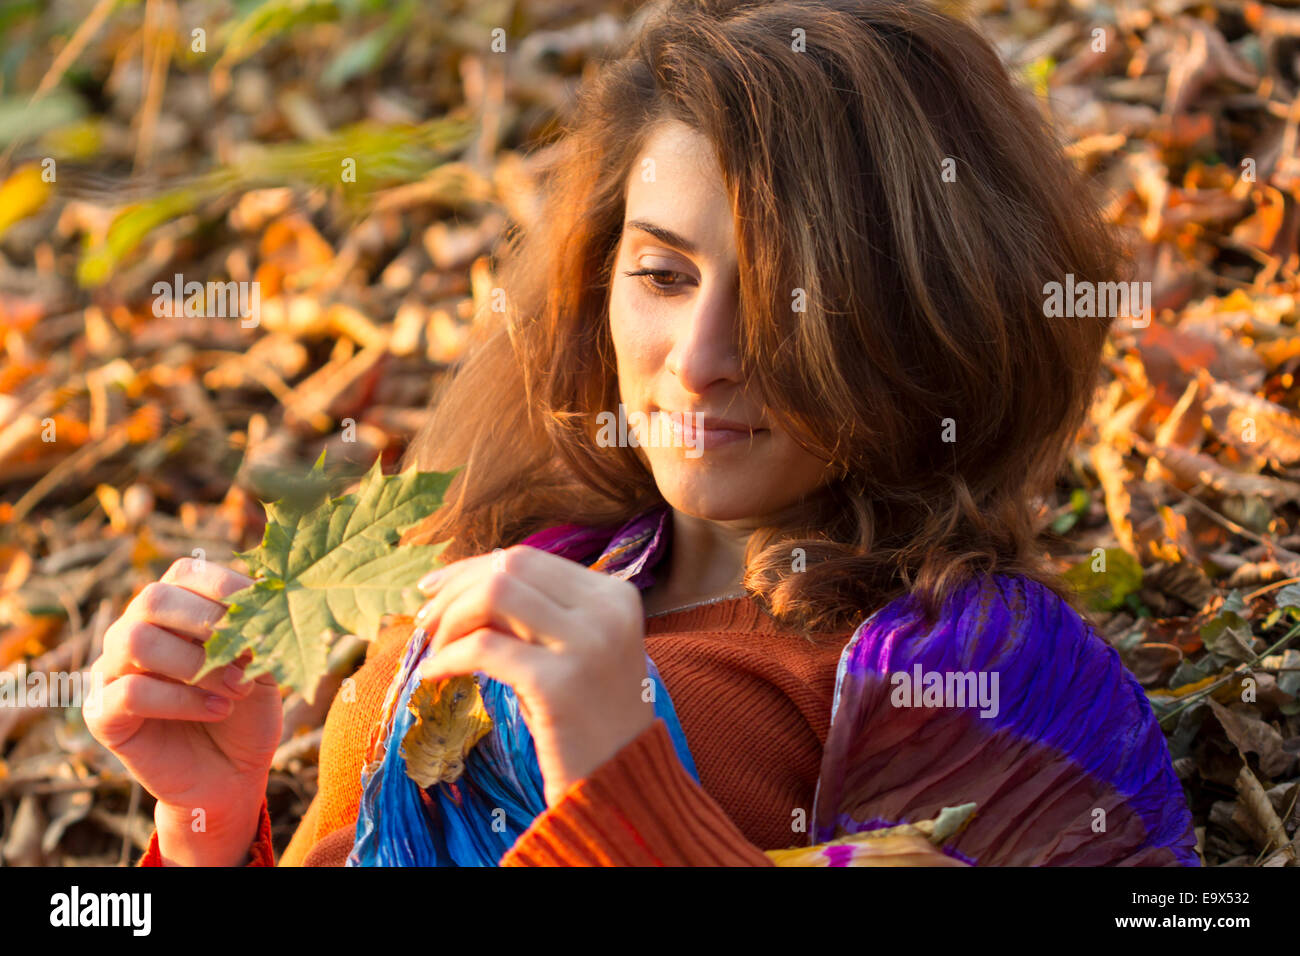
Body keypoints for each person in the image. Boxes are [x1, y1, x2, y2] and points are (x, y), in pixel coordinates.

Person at [86, 0, 1198, 866]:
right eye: (662, 273)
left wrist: (620, 776)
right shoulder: (507, 566)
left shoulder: (975, 669)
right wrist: (207, 816)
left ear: (926, 314)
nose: (700, 354)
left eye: (788, 294)